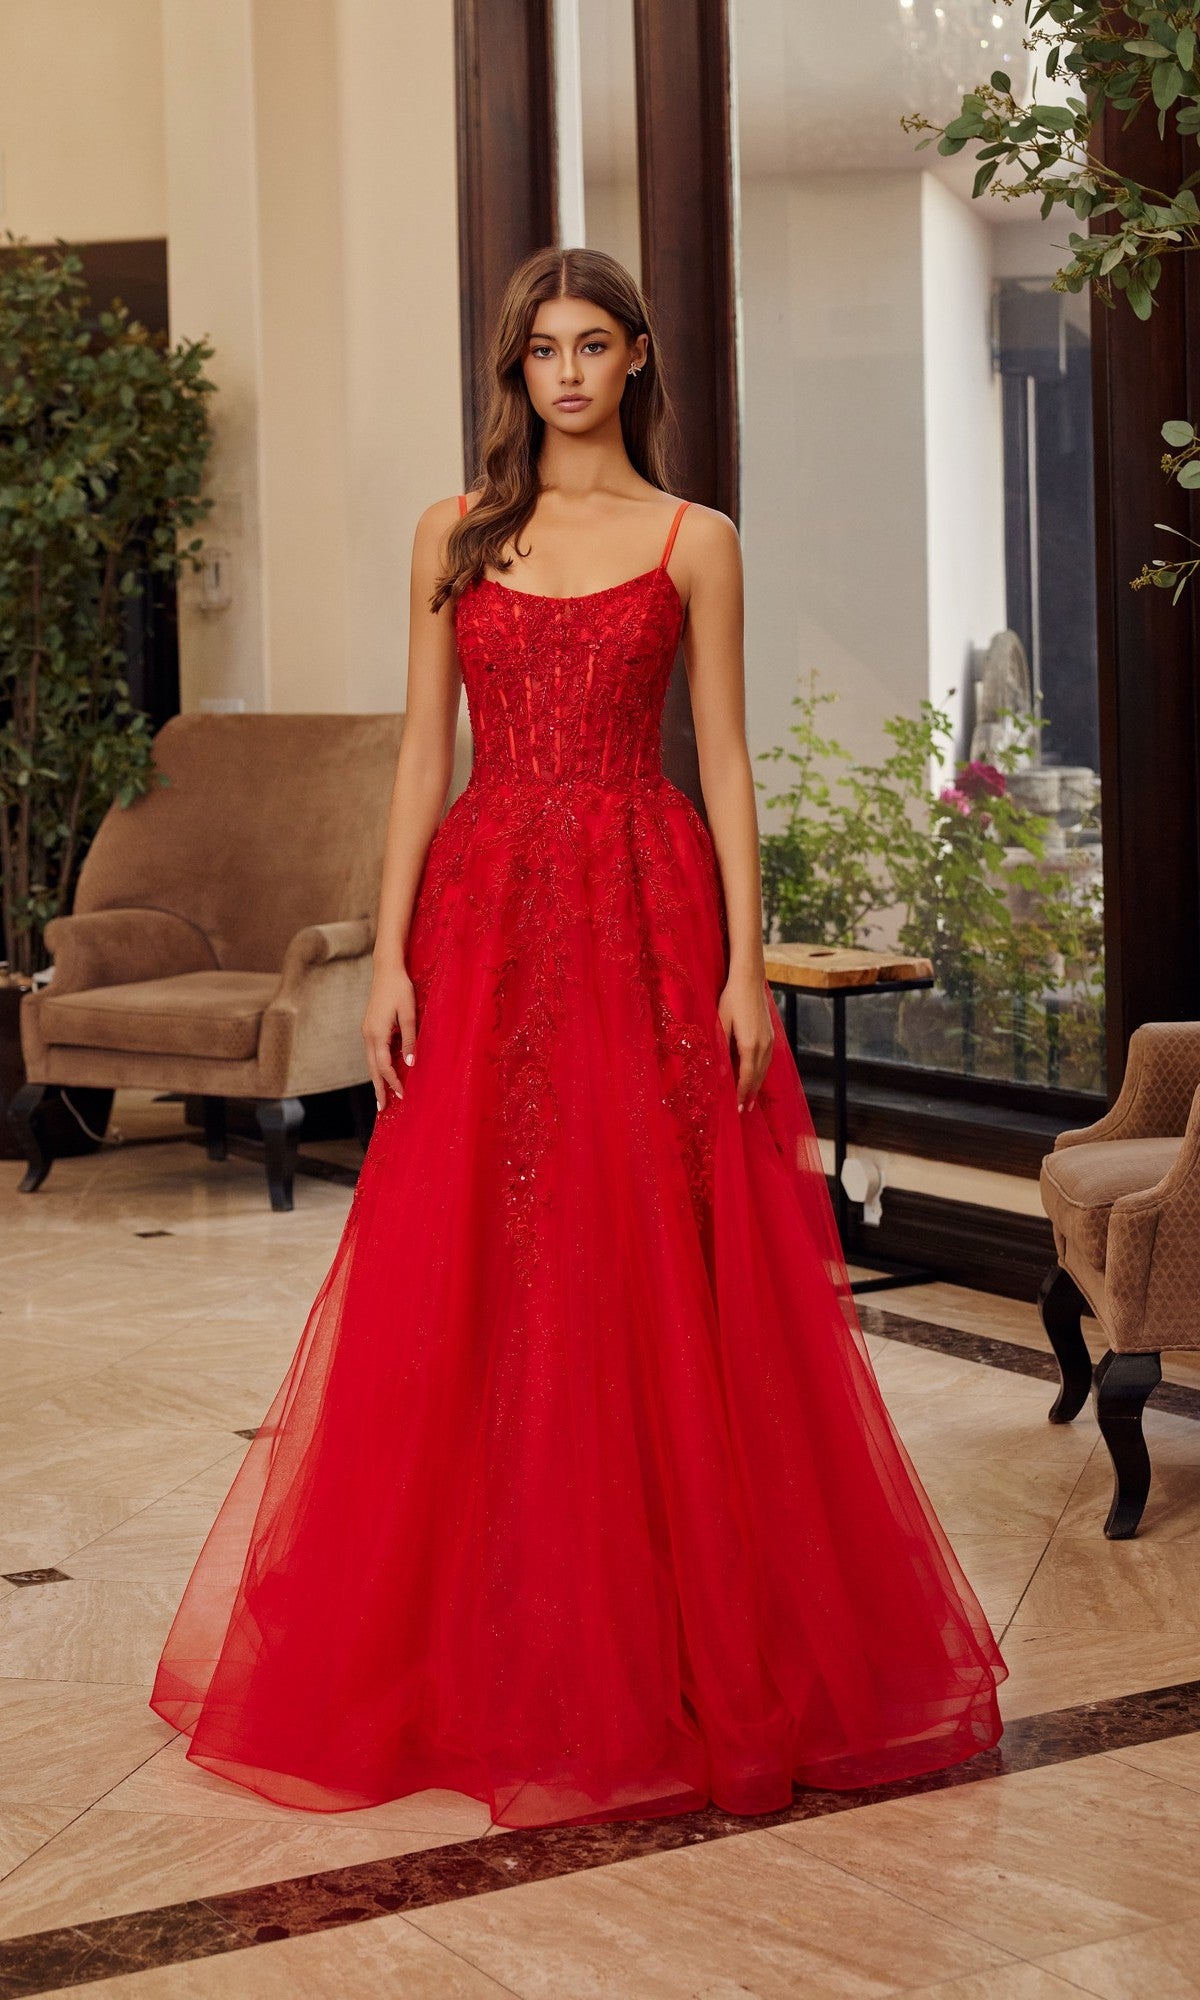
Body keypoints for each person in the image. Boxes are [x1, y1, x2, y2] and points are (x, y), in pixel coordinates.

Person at [149, 245, 1006, 1830]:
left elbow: (731, 766)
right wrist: (389, 950)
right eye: (538, 348)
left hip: (644, 906)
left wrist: (749, 966)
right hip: (487, 918)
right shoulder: (457, 536)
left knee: (649, 1253)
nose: (563, 372)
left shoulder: (696, 540)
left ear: (635, 361)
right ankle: (481, 1639)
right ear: (512, 369)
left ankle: (671, 1635)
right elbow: (423, 760)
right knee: (481, 1247)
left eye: (591, 344)